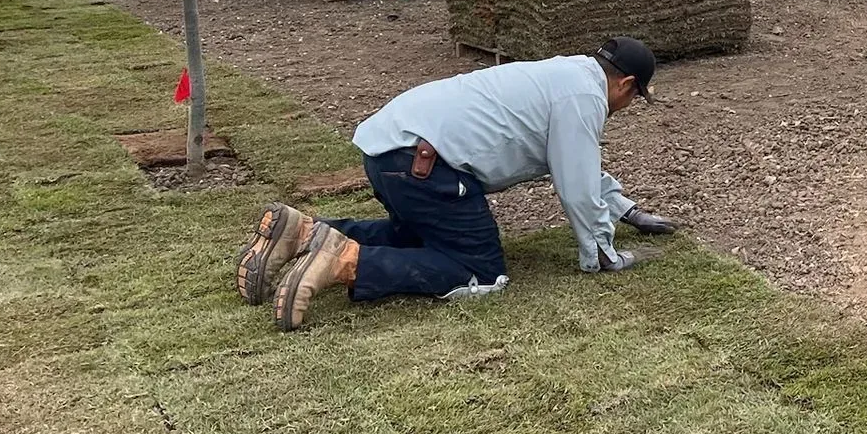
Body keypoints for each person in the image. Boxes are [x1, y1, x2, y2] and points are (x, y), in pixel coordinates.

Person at [234, 35, 677, 331]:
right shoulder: (585, 97)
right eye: (636, 98)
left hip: (390, 152)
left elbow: (577, 166)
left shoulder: (566, 75)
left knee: (419, 236)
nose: (629, 105)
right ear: (627, 84)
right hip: (424, 165)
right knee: (479, 270)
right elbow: (577, 187)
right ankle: (345, 262)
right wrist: (602, 254)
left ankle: (305, 233)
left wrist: (626, 210)